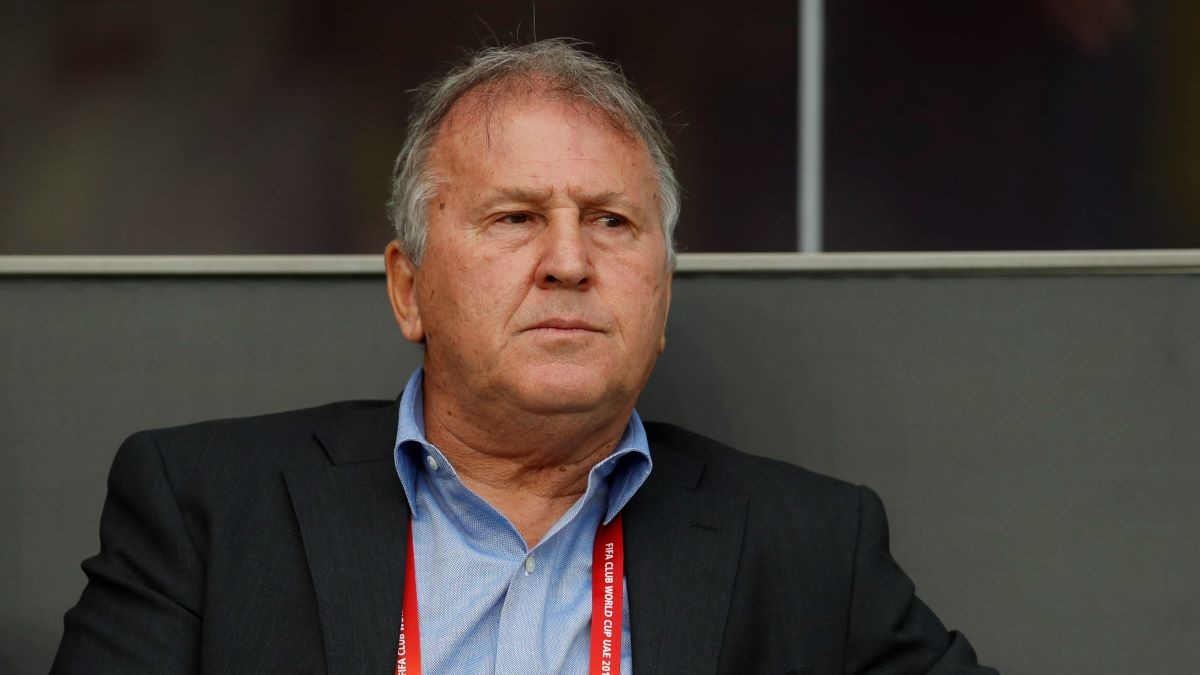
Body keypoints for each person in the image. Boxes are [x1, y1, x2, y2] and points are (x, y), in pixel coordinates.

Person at [51, 39, 998, 675]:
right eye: (514, 218)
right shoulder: (208, 511)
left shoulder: (811, 546)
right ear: (409, 288)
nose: (570, 262)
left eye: (612, 222)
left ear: (662, 296)